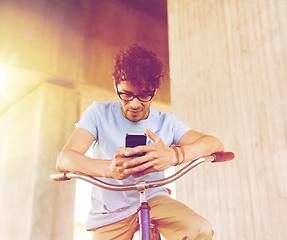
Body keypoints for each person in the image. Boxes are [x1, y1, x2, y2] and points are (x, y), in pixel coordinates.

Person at [56, 44, 224, 240]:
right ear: (115, 85)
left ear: (154, 90)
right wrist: (107, 169)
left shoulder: (165, 122)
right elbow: (64, 159)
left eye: (144, 95)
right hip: (110, 211)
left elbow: (214, 143)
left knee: (200, 229)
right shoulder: (98, 114)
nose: (135, 104)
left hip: (155, 200)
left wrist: (174, 156)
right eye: (126, 94)